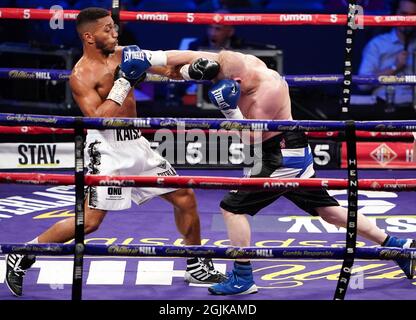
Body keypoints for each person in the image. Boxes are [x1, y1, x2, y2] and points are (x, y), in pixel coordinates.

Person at [4, 7, 226, 297]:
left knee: (185, 196)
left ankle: (196, 264)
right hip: (106, 148)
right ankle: (24, 252)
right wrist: (124, 83)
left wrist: (195, 69)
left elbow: (167, 65)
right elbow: (97, 117)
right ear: (89, 36)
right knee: (91, 222)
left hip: (135, 142)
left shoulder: (124, 54)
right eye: (107, 29)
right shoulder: (81, 75)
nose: (115, 32)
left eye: (114, 27)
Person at [165, 50, 416, 295]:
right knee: (329, 212)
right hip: (284, 148)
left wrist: (229, 110)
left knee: (233, 208)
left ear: (237, 81)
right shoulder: (231, 63)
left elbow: (252, 138)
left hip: (281, 155)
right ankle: (398, 247)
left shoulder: (267, 90)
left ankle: (243, 277)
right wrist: (152, 60)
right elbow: (184, 56)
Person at [358, 0, 416, 106]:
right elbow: (362, 84)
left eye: (412, 16)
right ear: (394, 13)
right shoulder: (377, 44)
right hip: (384, 106)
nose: (407, 20)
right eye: (403, 14)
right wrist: (394, 67)